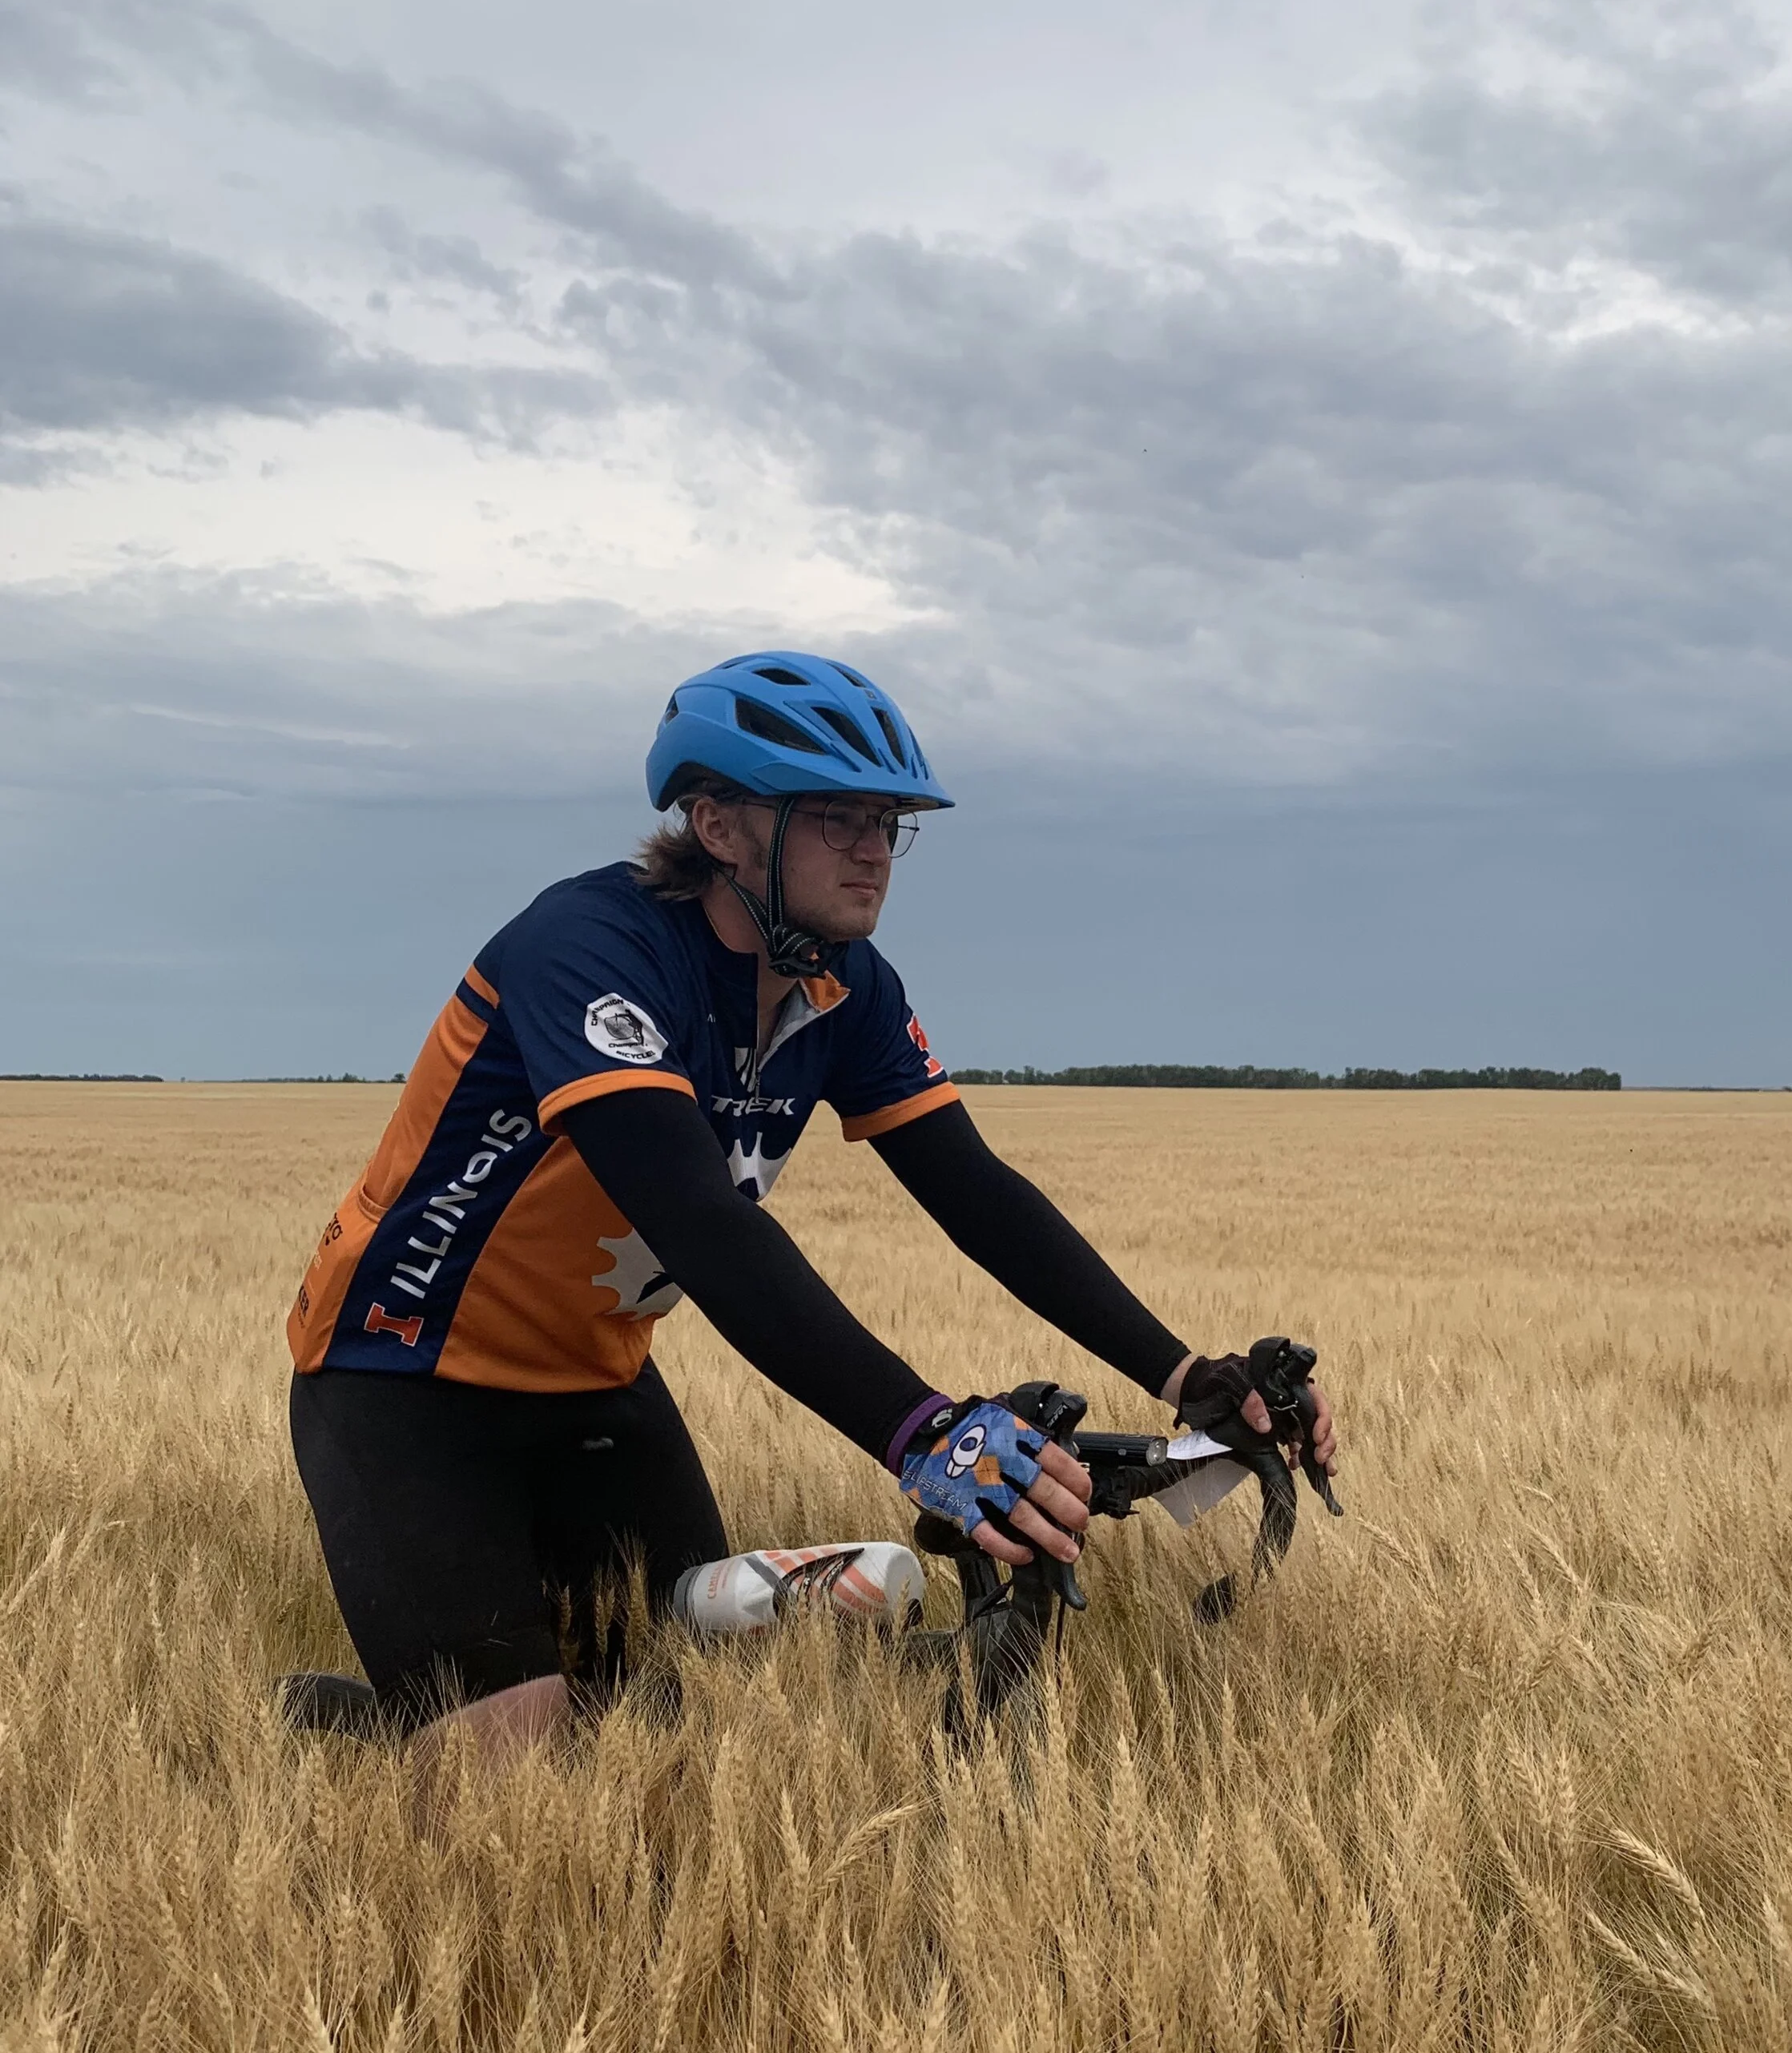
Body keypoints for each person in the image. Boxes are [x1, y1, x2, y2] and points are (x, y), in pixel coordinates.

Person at [283, 650, 1335, 1769]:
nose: (876, 848)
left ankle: (424, 1698)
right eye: (838, 816)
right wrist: (926, 1430)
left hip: (595, 1385)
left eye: (891, 820)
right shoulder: (590, 948)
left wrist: (1188, 1375)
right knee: (521, 1773)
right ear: (719, 823)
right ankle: (375, 1727)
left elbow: (977, 1194)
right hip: (401, 1381)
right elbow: (704, 1226)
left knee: (678, 1725)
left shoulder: (847, 985)